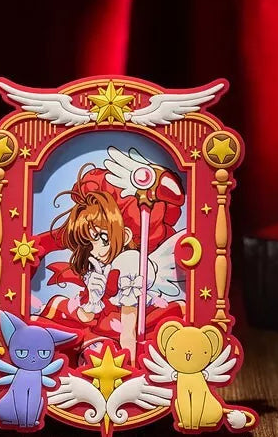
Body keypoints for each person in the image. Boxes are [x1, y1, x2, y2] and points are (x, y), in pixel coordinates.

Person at [34, 153, 185, 365]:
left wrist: (131, 367)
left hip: (124, 326)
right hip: (99, 325)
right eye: (88, 242)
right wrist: (92, 301)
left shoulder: (130, 263)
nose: (94, 250)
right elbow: (86, 318)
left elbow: (128, 328)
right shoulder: (96, 266)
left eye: (103, 239)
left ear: (126, 235)